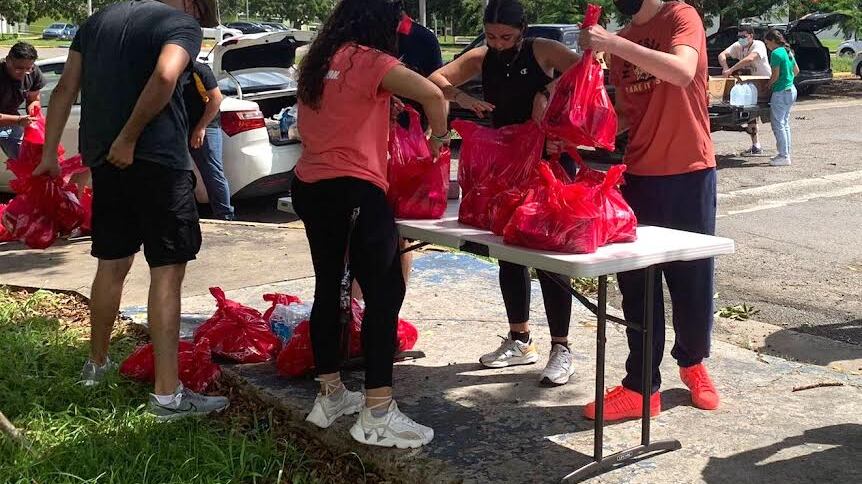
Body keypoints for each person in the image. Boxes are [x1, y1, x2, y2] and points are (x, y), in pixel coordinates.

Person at [33, 0, 230, 420]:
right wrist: (129, 137)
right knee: (167, 270)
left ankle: (96, 365)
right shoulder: (179, 25)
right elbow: (165, 74)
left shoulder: (97, 21)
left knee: (111, 262)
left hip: (105, 162)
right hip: (156, 160)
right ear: (192, 3)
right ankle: (167, 396)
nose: (198, 18)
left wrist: (50, 153)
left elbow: (66, 87)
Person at [293, 0, 448, 448]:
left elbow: (343, 108)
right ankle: (377, 412)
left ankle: (331, 394)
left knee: (329, 287)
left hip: (310, 183)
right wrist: (439, 139)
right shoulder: (371, 60)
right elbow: (435, 95)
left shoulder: (318, 60)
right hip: (356, 189)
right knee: (384, 294)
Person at [429, 0, 582, 386]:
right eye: (492, 35)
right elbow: (433, 80)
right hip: (506, 168)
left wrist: (548, 89)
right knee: (508, 255)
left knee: (548, 258)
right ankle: (520, 339)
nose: (498, 43)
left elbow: (587, 71)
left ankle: (561, 347)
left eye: (507, 36)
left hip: (548, 161)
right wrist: (460, 98)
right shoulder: (482, 57)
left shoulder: (542, 50)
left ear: (523, 30)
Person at [579, 0, 720, 421]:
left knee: (692, 279)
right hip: (638, 174)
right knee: (637, 287)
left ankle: (693, 364)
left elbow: (681, 70)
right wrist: (581, 127)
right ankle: (642, 387)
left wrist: (613, 45)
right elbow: (627, 113)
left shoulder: (681, 16)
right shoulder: (621, 40)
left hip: (689, 170)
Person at [184, 60, 234, 220]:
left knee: (212, 171)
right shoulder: (171, 69)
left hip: (206, 128)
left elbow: (216, 99)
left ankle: (225, 216)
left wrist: (201, 128)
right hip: (181, 128)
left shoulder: (199, 70)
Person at [718, 25, 772, 156]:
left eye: (743, 36)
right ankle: (756, 145)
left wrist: (731, 70)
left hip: (763, 84)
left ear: (751, 36)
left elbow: (750, 58)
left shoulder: (758, 45)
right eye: (739, 37)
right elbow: (722, 55)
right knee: (749, 114)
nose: (741, 39)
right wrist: (725, 68)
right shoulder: (739, 46)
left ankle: (759, 144)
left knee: (753, 114)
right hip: (749, 85)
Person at [0, 42, 43, 159]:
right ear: (8, 60)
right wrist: (19, 120)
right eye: (18, 68)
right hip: (12, 120)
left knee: (27, 159)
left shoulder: (34, 73)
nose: (24, 73)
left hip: (10, 121)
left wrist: (33, 113)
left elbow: (34, 99)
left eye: (28, 69)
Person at [764, 29, 799, 167]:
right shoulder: (788, 51)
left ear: (773, 41)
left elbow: (775, 76)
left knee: (778, 124)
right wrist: (787, 78)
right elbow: (796, 71)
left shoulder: (776, 53)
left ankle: (783, 156)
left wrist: (768, 85)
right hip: (791, 89)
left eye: (767, 43)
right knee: (784, 123)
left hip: (781, 92)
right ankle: (785, 153)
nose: (767, 46)